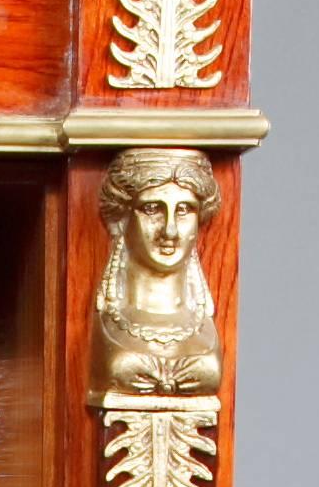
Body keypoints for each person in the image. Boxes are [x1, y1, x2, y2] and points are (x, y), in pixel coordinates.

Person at [88, 147, 221, 404]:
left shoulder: (200, 320)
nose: (169, 230)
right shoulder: (109, 318)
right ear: (121, 219)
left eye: (184, 210)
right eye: (151, 209)